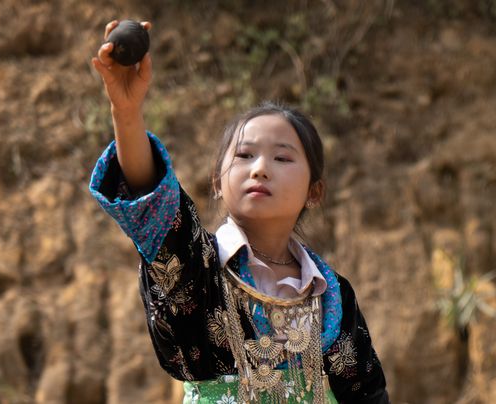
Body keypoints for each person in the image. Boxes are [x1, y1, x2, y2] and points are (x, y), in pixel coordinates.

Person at [89, 19, 391, 404]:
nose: (260, 168)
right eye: (245, 155)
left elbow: (370, 397)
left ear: (314, 192)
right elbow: (154, 201)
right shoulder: (197, 267)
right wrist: (126, 112)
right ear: (217, 180)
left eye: (282, 158)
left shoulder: (333, 297)